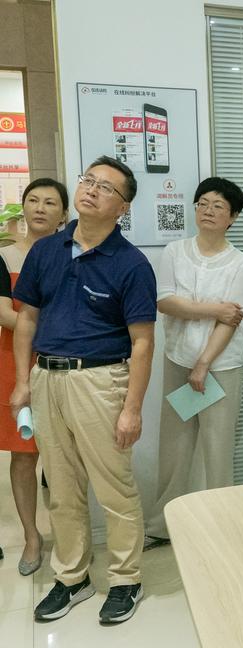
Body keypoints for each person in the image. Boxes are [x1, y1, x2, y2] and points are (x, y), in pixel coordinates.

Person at [10, 156, 156, 623]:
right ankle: (71, 577)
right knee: (62, 487)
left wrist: (132, 408)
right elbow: (27, 319)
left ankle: (125, 578)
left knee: (114, 486)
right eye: (88, 181)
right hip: (46, 378)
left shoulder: (132, 263)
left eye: (105, 187)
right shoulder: (46, 251)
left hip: (101, 381)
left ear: (123, 207)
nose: (91, 190)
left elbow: (143, 341)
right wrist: (21, 382)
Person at [143, 178, 243, 550]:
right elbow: (165, 302)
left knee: (217, 448)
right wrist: (214, 308)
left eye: (218, 206)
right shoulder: (175, 251)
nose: (208, 210)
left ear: (232, 217)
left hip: (221, 367)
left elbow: (231, 320)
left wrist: (204, 362)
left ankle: (222, 522)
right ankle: (161, 525)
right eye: (203, 203)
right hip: (178, 359)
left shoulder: (240, 262)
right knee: (174, 447)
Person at [0, 178, 69, 576]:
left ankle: (69, 534)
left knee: (64, 458)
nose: (40, 208)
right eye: (33, 200)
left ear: (64, 213)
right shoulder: (5, 255)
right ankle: (31, 536)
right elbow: (3, 311)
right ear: (23, 208)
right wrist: (51, 330)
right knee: (24, 457)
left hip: (67, 365)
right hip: (16, 365)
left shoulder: (76, 254)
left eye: (50, 202)